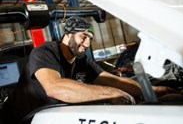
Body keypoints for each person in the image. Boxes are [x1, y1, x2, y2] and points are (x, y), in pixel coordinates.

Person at [3, 16, 170, 124]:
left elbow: (113, 79)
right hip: (21, 120)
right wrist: (111, 93)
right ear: (67, 35)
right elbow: (54, 88)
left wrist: (150, 90)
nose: (87, 43)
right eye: (83, 36)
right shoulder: (45, 52)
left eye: (90, 38)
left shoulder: (81, 59)